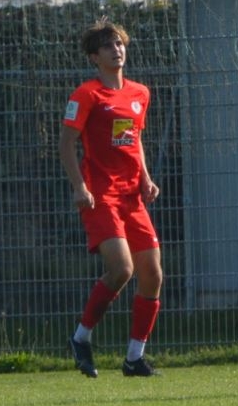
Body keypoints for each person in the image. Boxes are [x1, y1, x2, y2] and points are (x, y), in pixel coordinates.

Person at [60, 19, 163, 377]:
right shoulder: (87, 94)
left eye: (119, 43)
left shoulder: (140, 93)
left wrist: (146, 178)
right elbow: (66, 144)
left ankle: (134, 358)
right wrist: (79, 187)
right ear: (94, 57)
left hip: (132, 196)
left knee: (152, 274)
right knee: (122, 269)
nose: (116, 50)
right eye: (107, 46)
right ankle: (81, 337)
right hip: (100, 195)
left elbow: (135, 140)